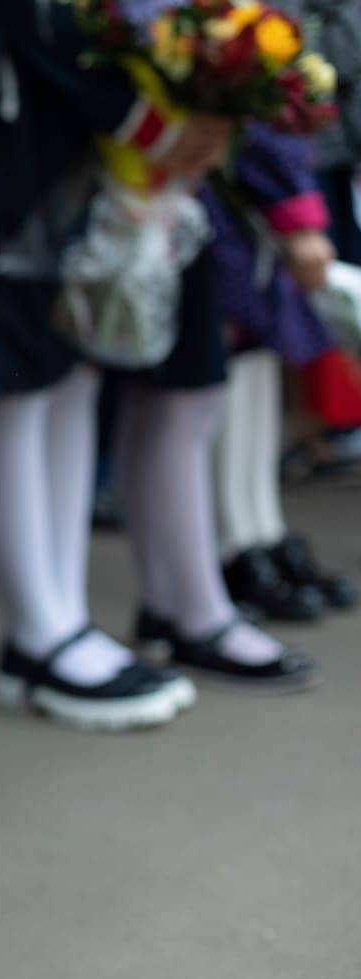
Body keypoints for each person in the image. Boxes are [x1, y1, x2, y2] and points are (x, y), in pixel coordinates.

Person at [0, 0, 304, 730]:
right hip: (12, 147)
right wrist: (154, 125)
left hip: (74, 154)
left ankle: (60, 615)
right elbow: (40, 28)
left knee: (71, 377)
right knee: (18, 388)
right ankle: (39, 628)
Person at [204, 124, 358, 629]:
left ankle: (259, 530)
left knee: (260, 360)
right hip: (232, 196)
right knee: (227, 366)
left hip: (272, 191)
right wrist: (294, 212)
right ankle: (233, 541)